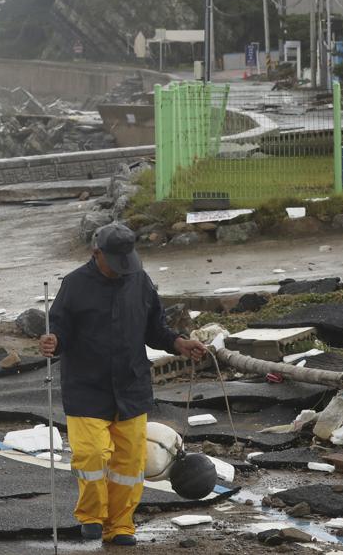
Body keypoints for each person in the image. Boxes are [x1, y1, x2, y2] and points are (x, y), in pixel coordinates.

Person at [39, 222, 207, 547]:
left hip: (131, 386)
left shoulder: (140, 281)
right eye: (115, 263)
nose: (122, 270)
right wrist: (52, 342)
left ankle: (121, 525)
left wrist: (178, 343)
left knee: (129, 464)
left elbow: (155, 329)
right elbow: (59, 330)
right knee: (91, 455)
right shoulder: (73, 285)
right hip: (86, 387)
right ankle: (91, 516)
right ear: (96, 253)